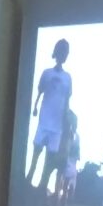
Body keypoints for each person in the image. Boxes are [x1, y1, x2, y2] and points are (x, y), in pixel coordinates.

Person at [27, 39, 72, 190]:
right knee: (35, 155)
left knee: (49, 161)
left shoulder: (68, 78)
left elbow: (67, 100)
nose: (63, 55)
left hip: (57, 126)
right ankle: (27, 182)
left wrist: (66, 120)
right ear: (56, 53)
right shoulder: (47, 73)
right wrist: (35, 106)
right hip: (44, 121)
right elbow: (40, 92)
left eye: (65, 53)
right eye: (62, 52)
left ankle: (41, 188)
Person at [53, 112, 80, 206]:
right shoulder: (67, 134)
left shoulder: (75, 136)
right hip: (64, 161)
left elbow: (76, 153)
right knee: (59, 188)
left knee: (63, 190)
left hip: (69, 163)